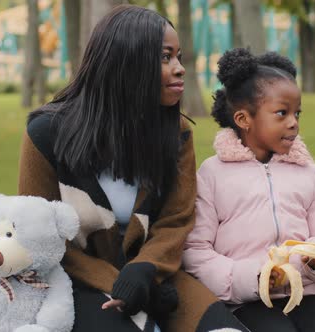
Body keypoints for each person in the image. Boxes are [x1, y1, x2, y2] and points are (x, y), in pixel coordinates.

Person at [17, 5, 248, 332]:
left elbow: (176, 219)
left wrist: (144, 271)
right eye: (165, 57)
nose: (180, 68)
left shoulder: (177, 133)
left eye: (178, 56)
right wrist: (120, 282)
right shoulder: (45, 134)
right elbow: (37, 236)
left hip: (155, 273)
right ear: (126, 62)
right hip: (76, 280)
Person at [182, 48, 315, 332]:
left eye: (297, 113)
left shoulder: (307, 172)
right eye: (281, 113)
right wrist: (254, 277)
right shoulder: (212, 176)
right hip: (246, 299)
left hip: (307, 295)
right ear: (243, 119)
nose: (293, 122)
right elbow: (196, 251)